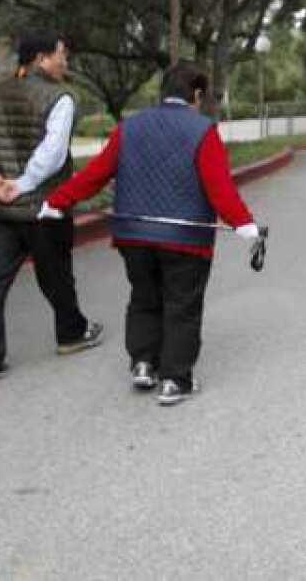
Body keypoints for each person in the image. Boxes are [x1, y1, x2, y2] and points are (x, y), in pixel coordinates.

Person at [39, 62, 260, 406]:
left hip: (133, 234)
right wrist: (244, 224)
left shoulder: (130, 127)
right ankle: (175, 380)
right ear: (197, 94)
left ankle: (143, 362)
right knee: (182, 305)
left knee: (144, 297)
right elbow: (218, 187)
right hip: (185, 239)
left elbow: (96, 174)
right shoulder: (203, 130)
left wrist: (56, 201)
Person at [0, 30, 102, 386]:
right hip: (44, 207)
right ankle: (71, 334)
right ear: (40, 58)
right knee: (56, 274)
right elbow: (52, 155)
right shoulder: (61, 97)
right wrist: (21, 185)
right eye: (61, 55)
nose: (65, 63)